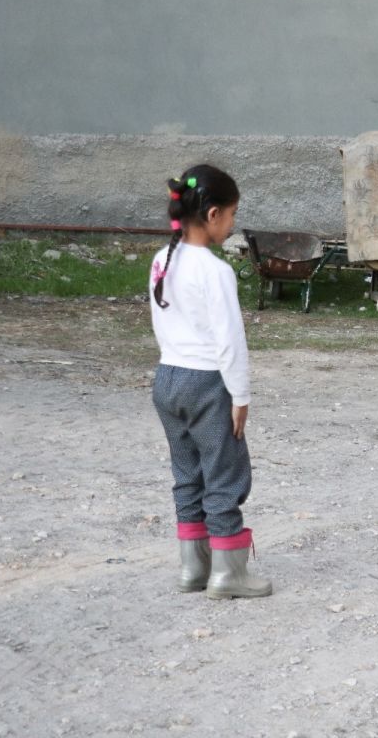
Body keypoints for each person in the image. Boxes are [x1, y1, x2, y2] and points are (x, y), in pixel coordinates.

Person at [150, 164, 272, 598]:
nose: (234, 224)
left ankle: (192, 568)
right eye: (233, 214)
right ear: (214, 213)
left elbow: (161, 323)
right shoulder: (215, 271)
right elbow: (230, 342)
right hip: (207, 384)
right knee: (224, 473)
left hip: (167, 379)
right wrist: (240, 396)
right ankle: (228, 574)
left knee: (187, 472)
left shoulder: (162, 259)